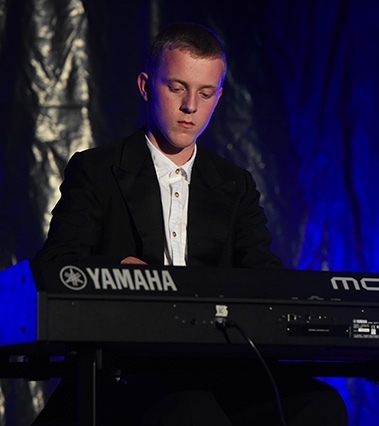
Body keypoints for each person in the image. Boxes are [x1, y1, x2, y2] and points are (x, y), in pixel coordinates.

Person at [32, 22, 348, 426]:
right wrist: (119, 271)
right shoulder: (97, 170)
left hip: (216, 371)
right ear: (146, 86)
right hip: (127, 372)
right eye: (177, 88)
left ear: (219, 97)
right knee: (192, 410)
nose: (190, 107)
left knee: (319, 404)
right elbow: (57, 263)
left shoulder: (234, 184)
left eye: (205, 93)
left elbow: (264, 278)